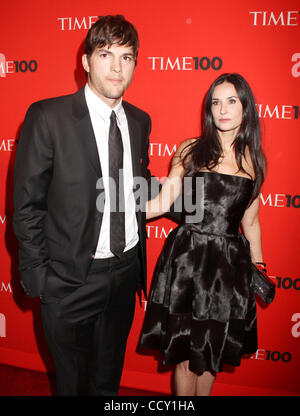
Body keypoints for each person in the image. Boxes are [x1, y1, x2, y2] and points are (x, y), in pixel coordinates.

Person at [13, 15, 156, 396]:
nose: (116, 66)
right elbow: (27, 206)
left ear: (135, 65)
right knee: (72, 384)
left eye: (127, 57)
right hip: (70, 280)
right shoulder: (48, 117)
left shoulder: (140, 122)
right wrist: (41, 279)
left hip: (125, 274)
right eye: (106, 54)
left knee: (108, 382)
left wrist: (191, 187)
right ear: (86, 61)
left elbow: (135, 187)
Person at [140, 73, 266, 396]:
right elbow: (164, 200)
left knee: (211, 355)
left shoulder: (254, 161)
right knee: (184, 355)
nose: (222, 109)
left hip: (226, 270)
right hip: (187, 261)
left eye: (231, 101)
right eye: (216, 102)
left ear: (245, 108)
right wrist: (120, 212)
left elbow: (250, 221)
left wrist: (259, 267)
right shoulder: (190, 150)